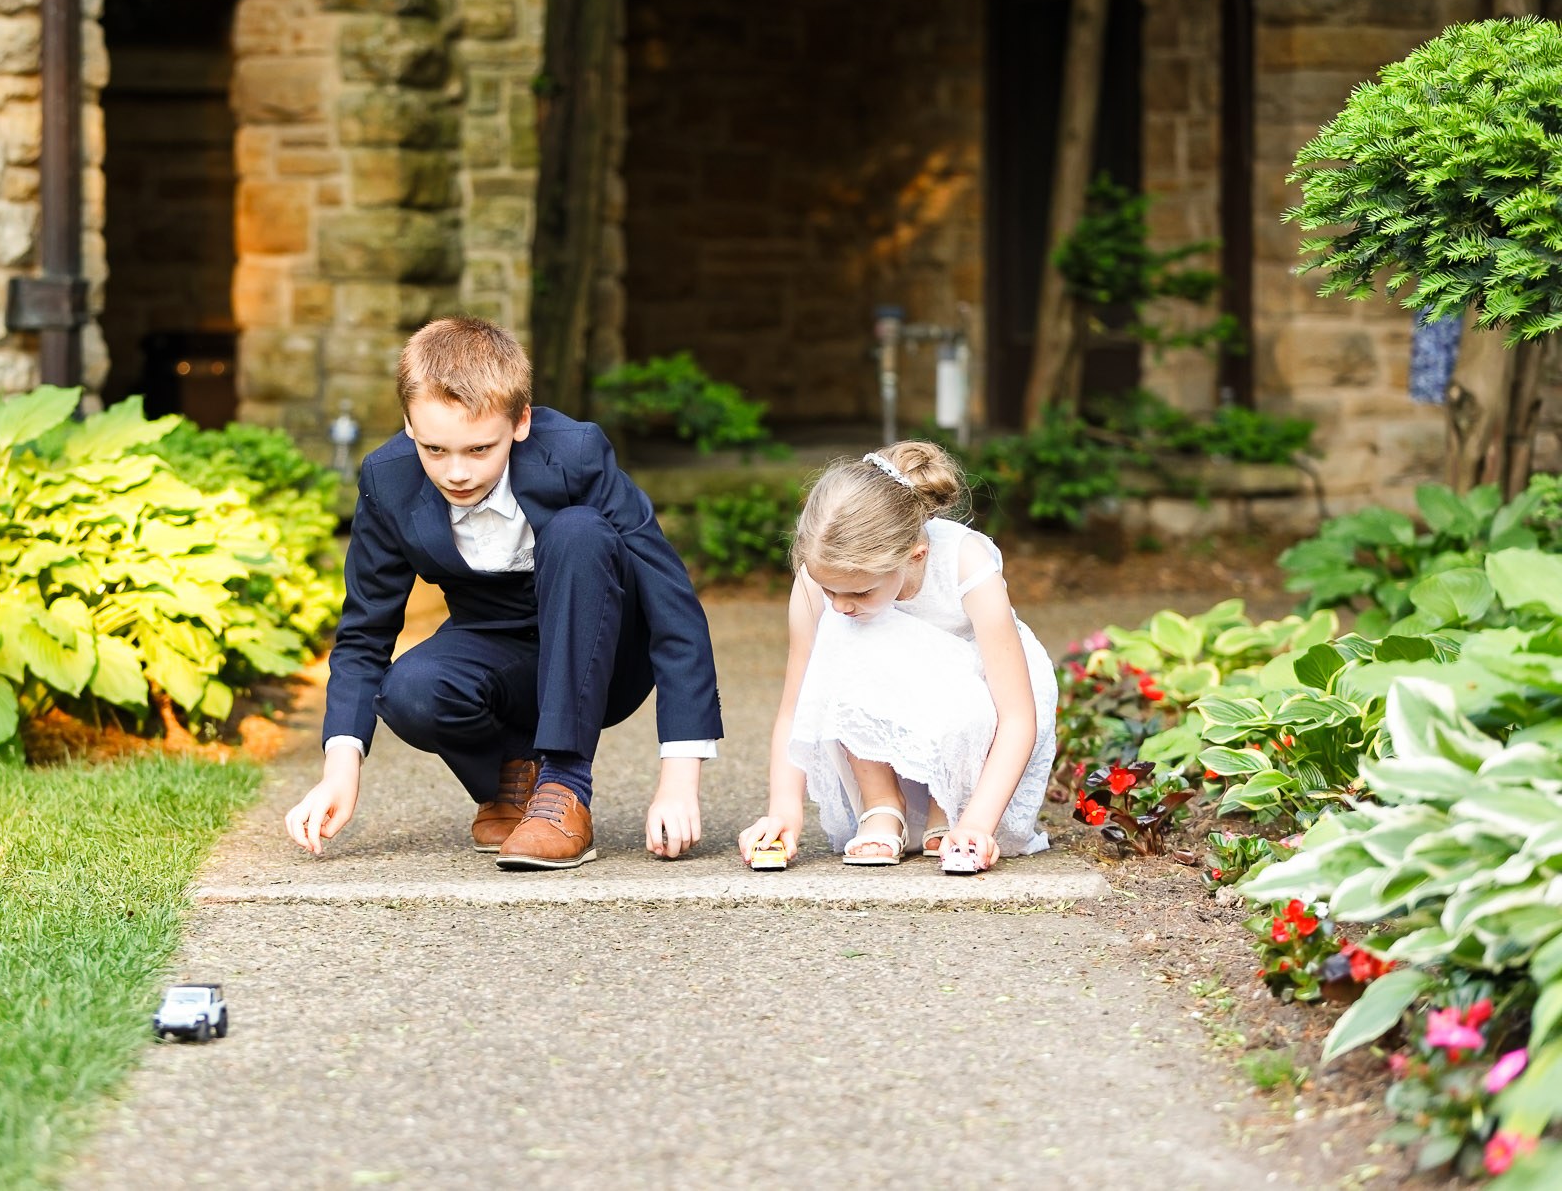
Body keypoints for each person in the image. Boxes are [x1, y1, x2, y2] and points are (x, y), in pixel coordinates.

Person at [284, 316, 724, 870]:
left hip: (605, 655)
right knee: (409, 689)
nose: (457, 472)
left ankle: (564, 787)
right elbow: (364, 632)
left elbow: (672, 605)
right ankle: (514, 778)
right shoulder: (386, 479)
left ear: (520, 421)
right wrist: (339, 771)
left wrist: (680, 779)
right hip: (496, 649)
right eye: (434, 450)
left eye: (478, 449)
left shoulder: (576, 454)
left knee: (578, 531)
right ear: (408, 424)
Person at [736, 442, 1054, 873]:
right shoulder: (821, 580)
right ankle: (882, 802)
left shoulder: (965, 562)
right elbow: (798, 704)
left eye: (859, 591)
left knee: (871, 632)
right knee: (844, 632)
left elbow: (1018, 715)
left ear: (914, 554)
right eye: (830, 590)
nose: (841, 603)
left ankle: (951, 808)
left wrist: (979, 822)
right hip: (890, 740)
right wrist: (783, 810)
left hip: (981, 729)